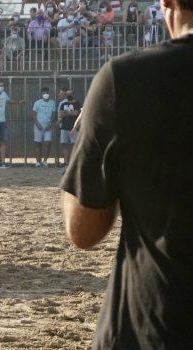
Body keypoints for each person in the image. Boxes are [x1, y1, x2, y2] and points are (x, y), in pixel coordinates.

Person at [61, 0, 193, 346]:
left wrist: (91, 139)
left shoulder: (128, 79)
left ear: (168, 3)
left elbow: (84, 230)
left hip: (156, 324)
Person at [0, 81, 24, 168]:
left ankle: (2, 162)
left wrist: (18, 102)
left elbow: (9, 101)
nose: (0, 87)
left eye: (2, 85)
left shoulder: (4, 94)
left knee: (3, 142)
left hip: (2, 121)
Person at [31, 87, 56, 168]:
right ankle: (38, 162)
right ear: (41, 94)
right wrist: (37, 124)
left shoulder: (52, 102)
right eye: (44, 93)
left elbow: (53, 114)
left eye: (47, 93)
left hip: (48, 127)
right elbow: (34, 114)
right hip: (39, 126)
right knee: (37, 143)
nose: (46, 94)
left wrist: (50, 124)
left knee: (47, 143)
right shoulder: (37, 103)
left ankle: (45, 161)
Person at [57, 88, 81, 167]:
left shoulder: (77, 103)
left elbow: (77, 113)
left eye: (70, 94)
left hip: (74, 128)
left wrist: (67, 113)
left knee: (74, 145)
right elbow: (60, 114)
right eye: (67, 94)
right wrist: (70, 113)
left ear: (73, 95)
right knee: (64, 144)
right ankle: (66, 162)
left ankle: (73, 162)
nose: (68, 96)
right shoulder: (63, 104)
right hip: (64, 127)